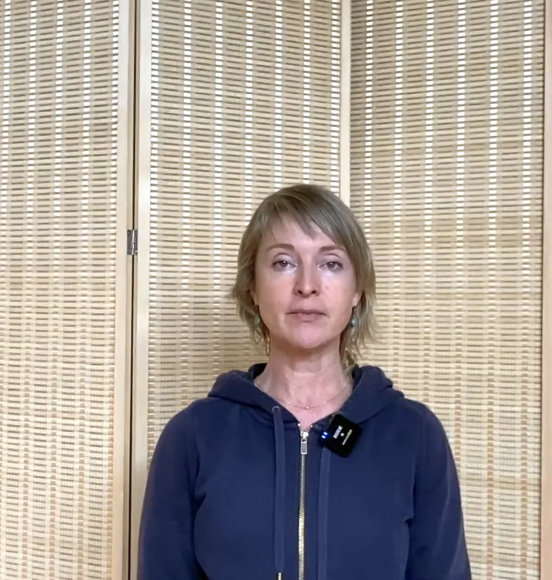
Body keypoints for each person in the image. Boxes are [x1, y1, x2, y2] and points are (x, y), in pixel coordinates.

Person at [137, 184, 471, 580]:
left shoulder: (415, 436)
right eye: (283, 263)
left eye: (331, 263)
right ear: (252, 290)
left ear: (357, 292)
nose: (307, 285)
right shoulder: (192, 437)